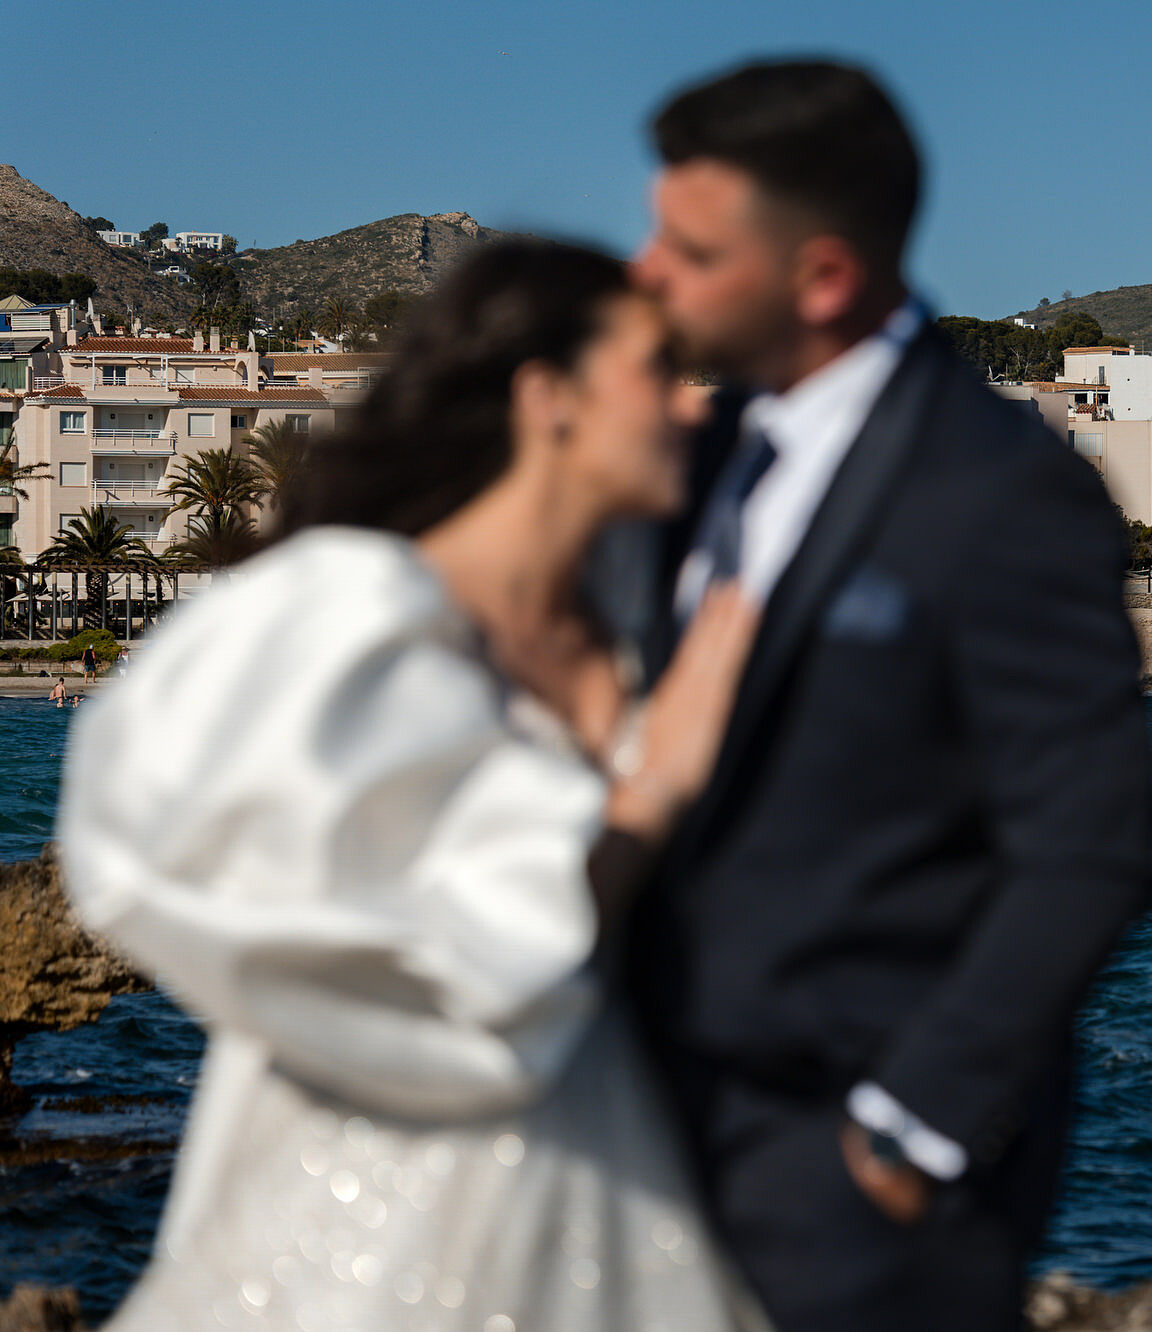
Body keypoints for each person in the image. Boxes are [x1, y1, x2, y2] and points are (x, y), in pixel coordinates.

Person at [59, 242, 767, 1331]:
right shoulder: (349, 614)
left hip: (614, 1183)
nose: (692, 405)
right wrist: (649, 797)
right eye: (654, 369)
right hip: (366, 1222)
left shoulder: (643, 621)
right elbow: (194, 873)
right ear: (550, 399)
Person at [620, 60, 1152, 1331]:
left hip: (849, 1168)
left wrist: (908, 1133)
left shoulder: (1000, 493)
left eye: (688, 250)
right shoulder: (690, 466)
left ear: (821, 277)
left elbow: (1088, 850)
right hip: (643, 1127)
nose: (645, 271)